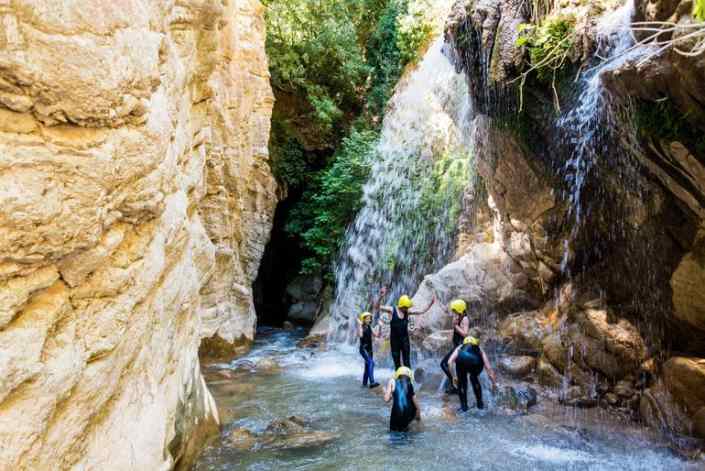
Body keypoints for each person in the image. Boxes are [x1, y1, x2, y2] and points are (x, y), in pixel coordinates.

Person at [375, 287, 436, 369]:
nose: (407, 308)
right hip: (394, 341)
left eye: (407, 307)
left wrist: (431, 304)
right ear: (401, 305)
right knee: (397, 363)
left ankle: (408, 381)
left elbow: (421, 311)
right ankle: (399, 380)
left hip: (405, 341)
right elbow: (377, 307)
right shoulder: (392, 310)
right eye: (406, 307)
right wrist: (381, 296)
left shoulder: (408, 312)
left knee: (407, 362)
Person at [448, 330, 497, 411]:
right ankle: (480, 405)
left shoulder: (460, 347)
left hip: (461, 358)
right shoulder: (479, 348)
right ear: (476, 341)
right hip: (476, 361)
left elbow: (449, 362)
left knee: (462, 382)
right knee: (473, 377)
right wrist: (494, 383)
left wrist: (453, 376)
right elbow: (488, 368)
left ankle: (464, 407)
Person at [440, 299, 469, 394]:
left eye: (455, 310)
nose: (454, 312)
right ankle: (456, 385)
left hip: (460, 347)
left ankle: (456, 385)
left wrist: (456, 326)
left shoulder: (465, 319)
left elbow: (465, 334)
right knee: (455, 368)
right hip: (456, 345)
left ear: (460, 310)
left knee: (444, 364)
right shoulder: (458, 317)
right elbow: (447, 311)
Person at [384, 367, 421, 432]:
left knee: (394, 435)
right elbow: (416, 405)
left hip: (396, 414)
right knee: (405, 434)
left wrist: (391, 395)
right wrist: (418, 418)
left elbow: (386, 399)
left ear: (397, 374)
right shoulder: (410, 385)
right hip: (407, 415)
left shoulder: (392, 381)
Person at [357, 312, 381, 389]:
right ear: (363, 319)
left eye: (370, 318)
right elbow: (360, 335)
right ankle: (372, 382)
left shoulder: (369, 327)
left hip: (370, 349)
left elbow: (377, 335)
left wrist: (380, 326)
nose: (369, 320)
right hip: (363, 349)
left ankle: (364, 383)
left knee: (367, 366)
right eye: (367, 318)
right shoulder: (361, 327)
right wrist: (359, 325)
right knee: (371, 363)